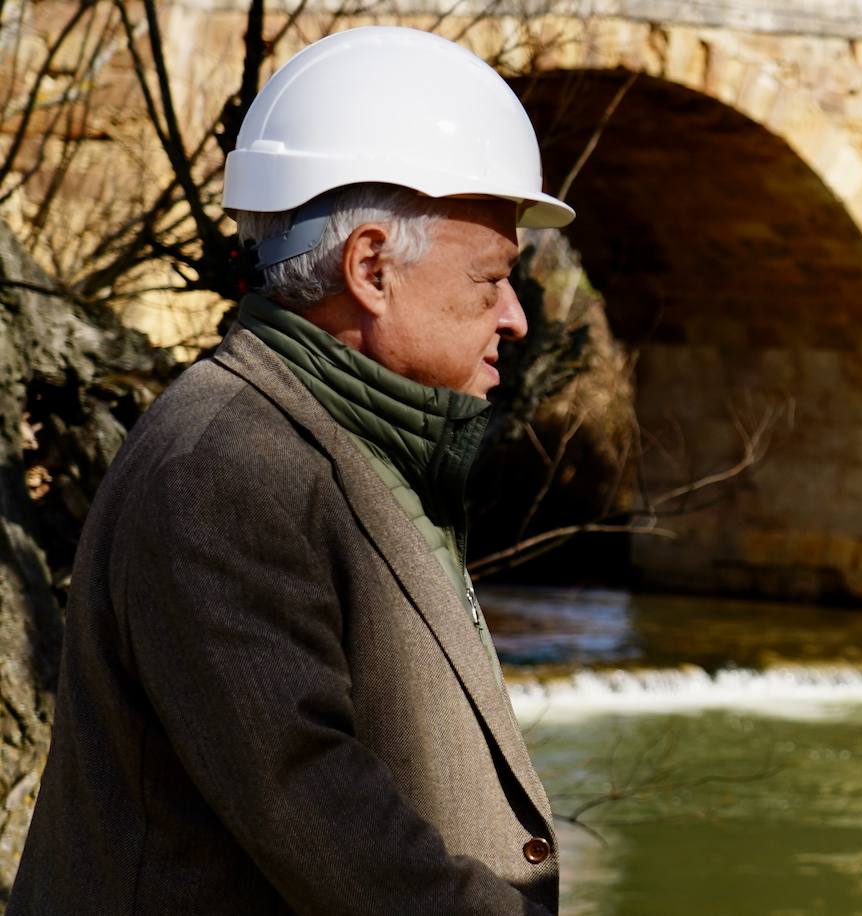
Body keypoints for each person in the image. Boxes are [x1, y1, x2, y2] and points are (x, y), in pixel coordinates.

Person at [10, 26, 574, 915]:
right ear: (372, 268)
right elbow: (318, 814)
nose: (514, 316)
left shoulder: (353, 440)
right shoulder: (225, 467)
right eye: (490, 278)